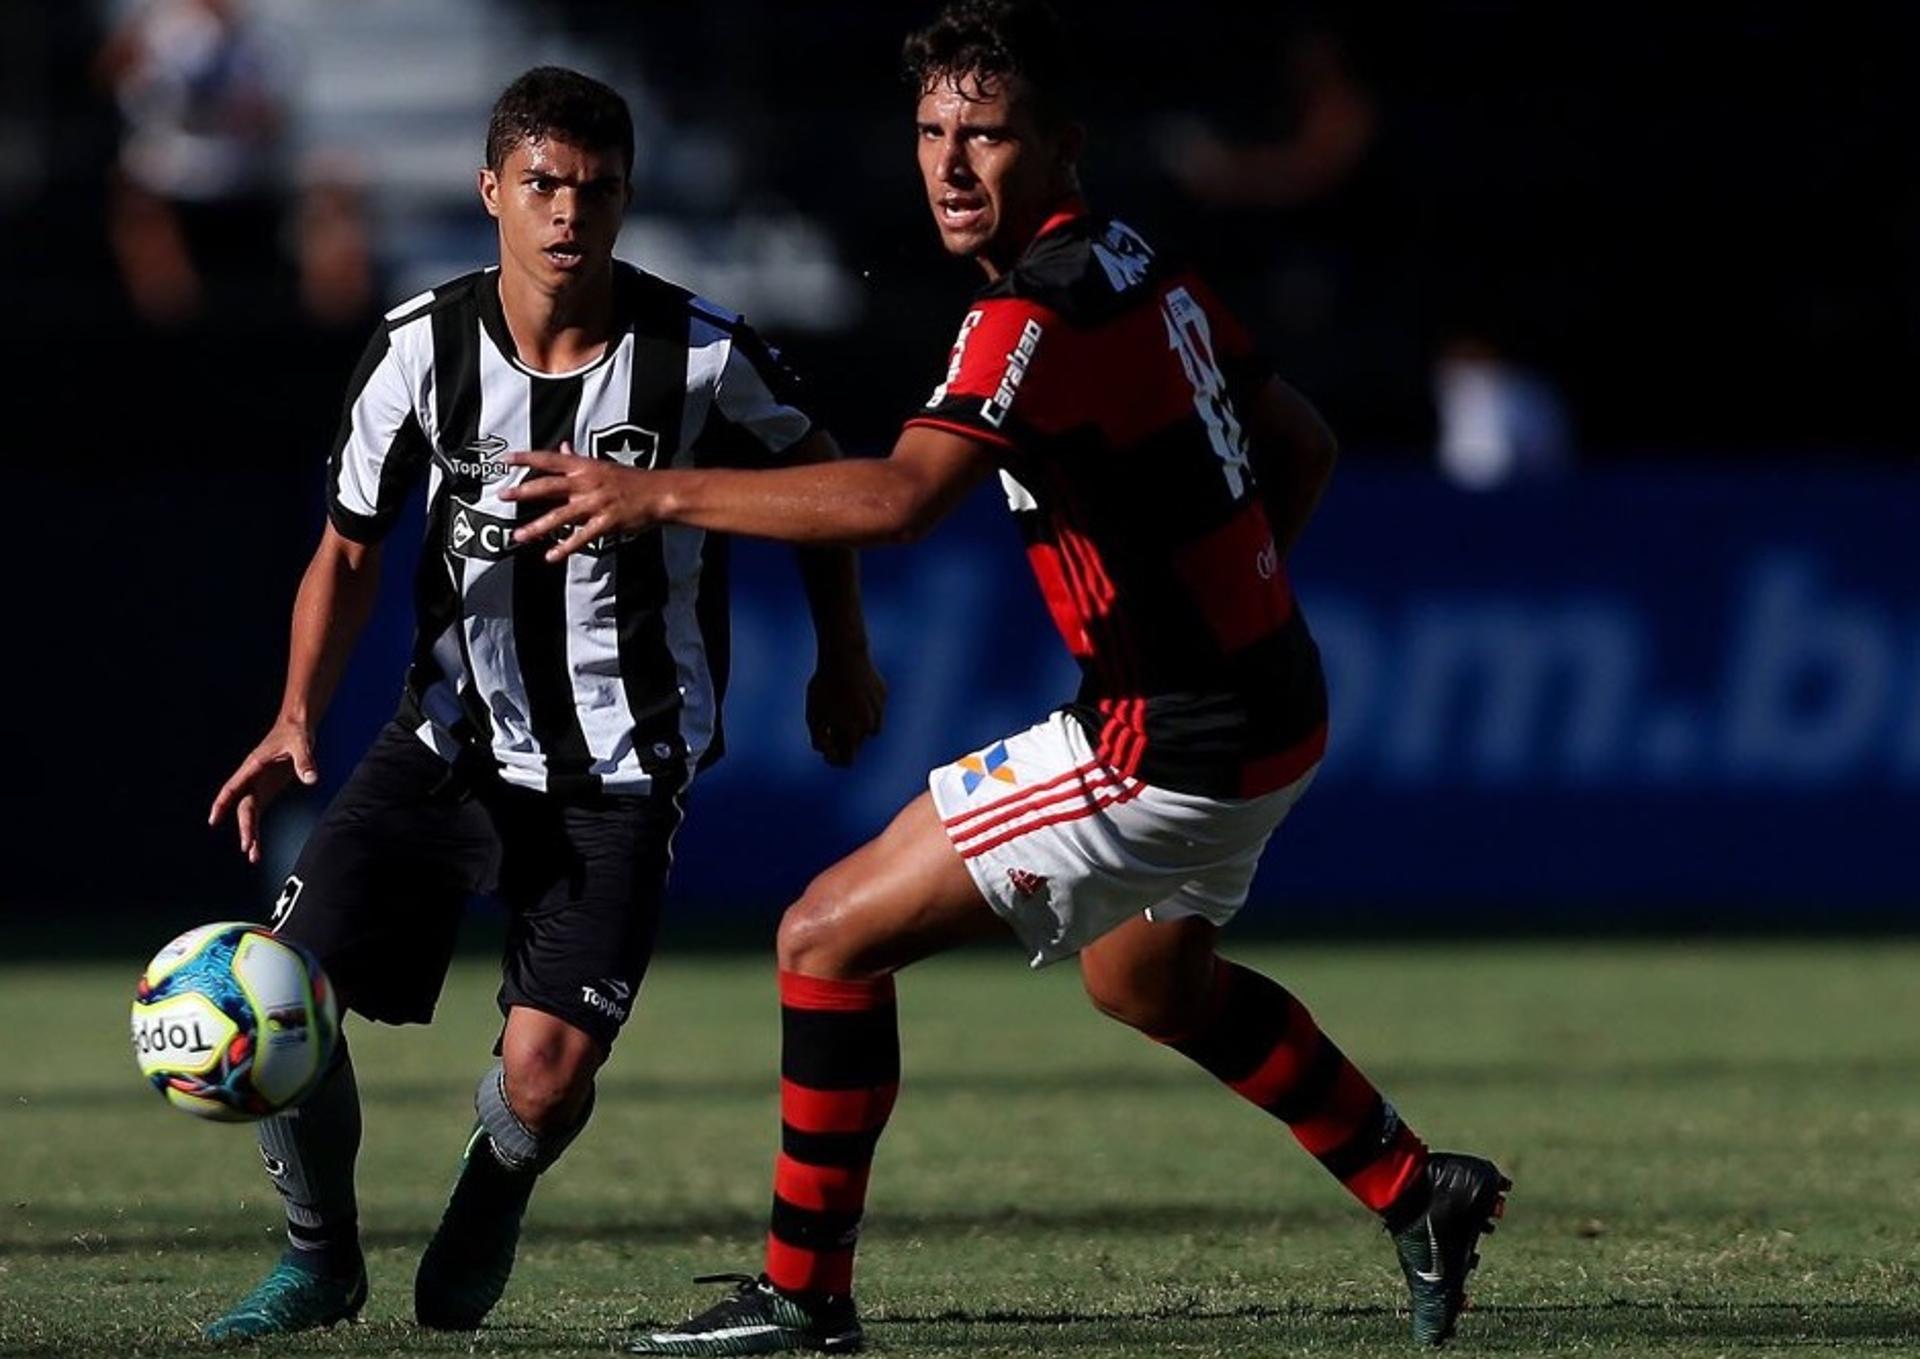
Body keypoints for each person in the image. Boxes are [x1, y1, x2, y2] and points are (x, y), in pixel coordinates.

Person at [503, 5, 1508, 1351]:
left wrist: (654, 492)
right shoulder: (1143, 266)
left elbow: (906, 499)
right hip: (1275, 709)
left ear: (1061, 147)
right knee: (1144, 982)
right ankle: (1413, 1185)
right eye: (931, 133)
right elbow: (1305, 443)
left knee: (822, 936)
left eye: (988, 132)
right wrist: (1227, 599)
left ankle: (806, 1294)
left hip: (1168, 741)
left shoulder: (1027, 314)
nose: (951, 163)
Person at [202, 66, 885, 1342]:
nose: (571, 214)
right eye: (544, 186)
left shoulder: (704, 356)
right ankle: (319, 1256)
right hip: (445, 743)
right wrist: (298, 711)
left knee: (548, 1073)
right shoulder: (418, 347)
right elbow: (348, 548)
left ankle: (493, 1187)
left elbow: (831, 486)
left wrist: (840, 655)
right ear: (491, 193)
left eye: (599, 189)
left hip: (621, 768)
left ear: (626, 199)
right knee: (275, 986)